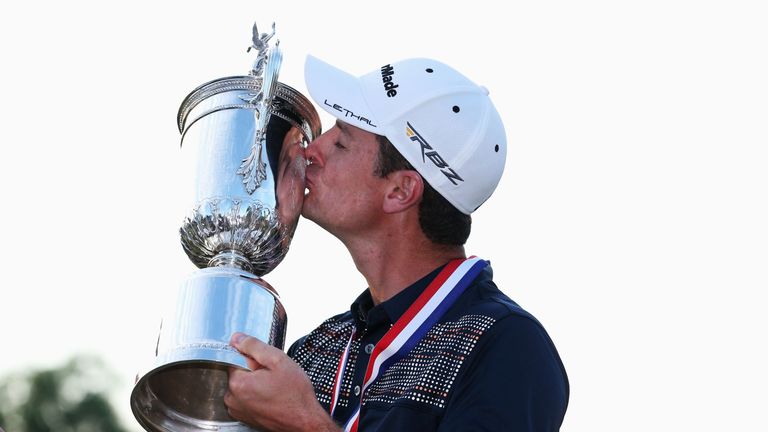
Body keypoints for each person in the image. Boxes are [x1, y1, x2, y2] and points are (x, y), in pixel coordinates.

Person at [224, 54, 570, 431]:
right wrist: (238, 255)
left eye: (341, 141)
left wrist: (305, 423)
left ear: (401, 190)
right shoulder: (321, 346)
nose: (311, 151)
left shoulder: (508, 345)